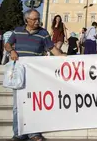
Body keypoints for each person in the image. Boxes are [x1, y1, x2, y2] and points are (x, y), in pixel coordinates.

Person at [4, 9, 65, 141]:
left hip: (35, 74)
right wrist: (12, 51)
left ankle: (34, 133)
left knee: (35, 104)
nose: (38, 21)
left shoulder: (43, 33)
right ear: (27, 20)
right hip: (19, 73)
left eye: (38, 19)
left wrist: (62, 57)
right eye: (35, 19)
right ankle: (18, 133)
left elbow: (52, 48)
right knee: (17, 105)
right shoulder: (17, 31)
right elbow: (7, 44)